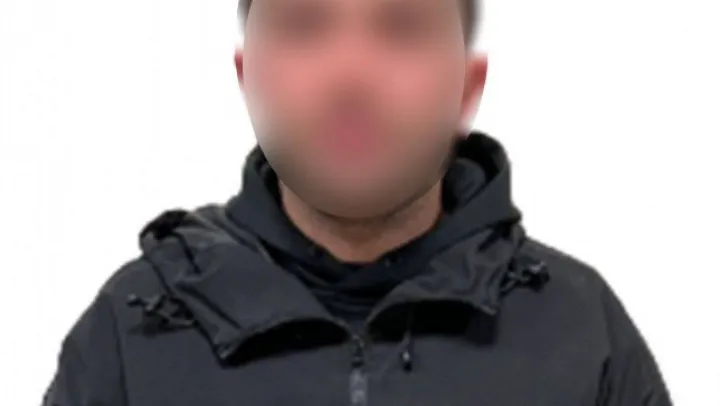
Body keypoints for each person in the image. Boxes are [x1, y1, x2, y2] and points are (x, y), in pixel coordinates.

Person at [44, 0, 672, 405]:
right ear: (248, 77)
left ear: (467, 86)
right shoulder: (132, 331)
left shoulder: (581, 330)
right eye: (304, 25)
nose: (351, 74)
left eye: (400, 27)